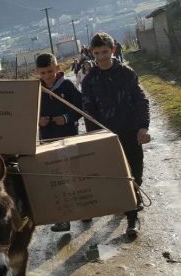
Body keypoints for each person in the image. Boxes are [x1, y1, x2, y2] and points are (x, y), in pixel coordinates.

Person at [82, 32, 151, 237]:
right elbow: (88, 113)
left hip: (131, 131)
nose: (102, 57)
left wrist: (143, 127)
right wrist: (96, 139)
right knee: (122, 176)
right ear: (92, 54)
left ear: (113, 50)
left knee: (136, 172)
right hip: (108, 137)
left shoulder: (127, 73)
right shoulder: (89, 81)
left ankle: (134, 197)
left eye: (105, 51)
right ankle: (132, 219)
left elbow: (141, 101)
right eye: (97, 53)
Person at [36, 53, 83, 232]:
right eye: (43, 73)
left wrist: (66, 117)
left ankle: (85, 211)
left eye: (50, 71)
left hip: (69, 137)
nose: (47, 76)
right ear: (37, 72)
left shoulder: (68, 86)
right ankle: (63, 219)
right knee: (57, 179)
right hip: (48, 141)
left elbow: (80, 107)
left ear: (57, 69)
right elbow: (28, 113)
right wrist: (38, 120)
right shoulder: (35, 90)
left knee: (75, 174)